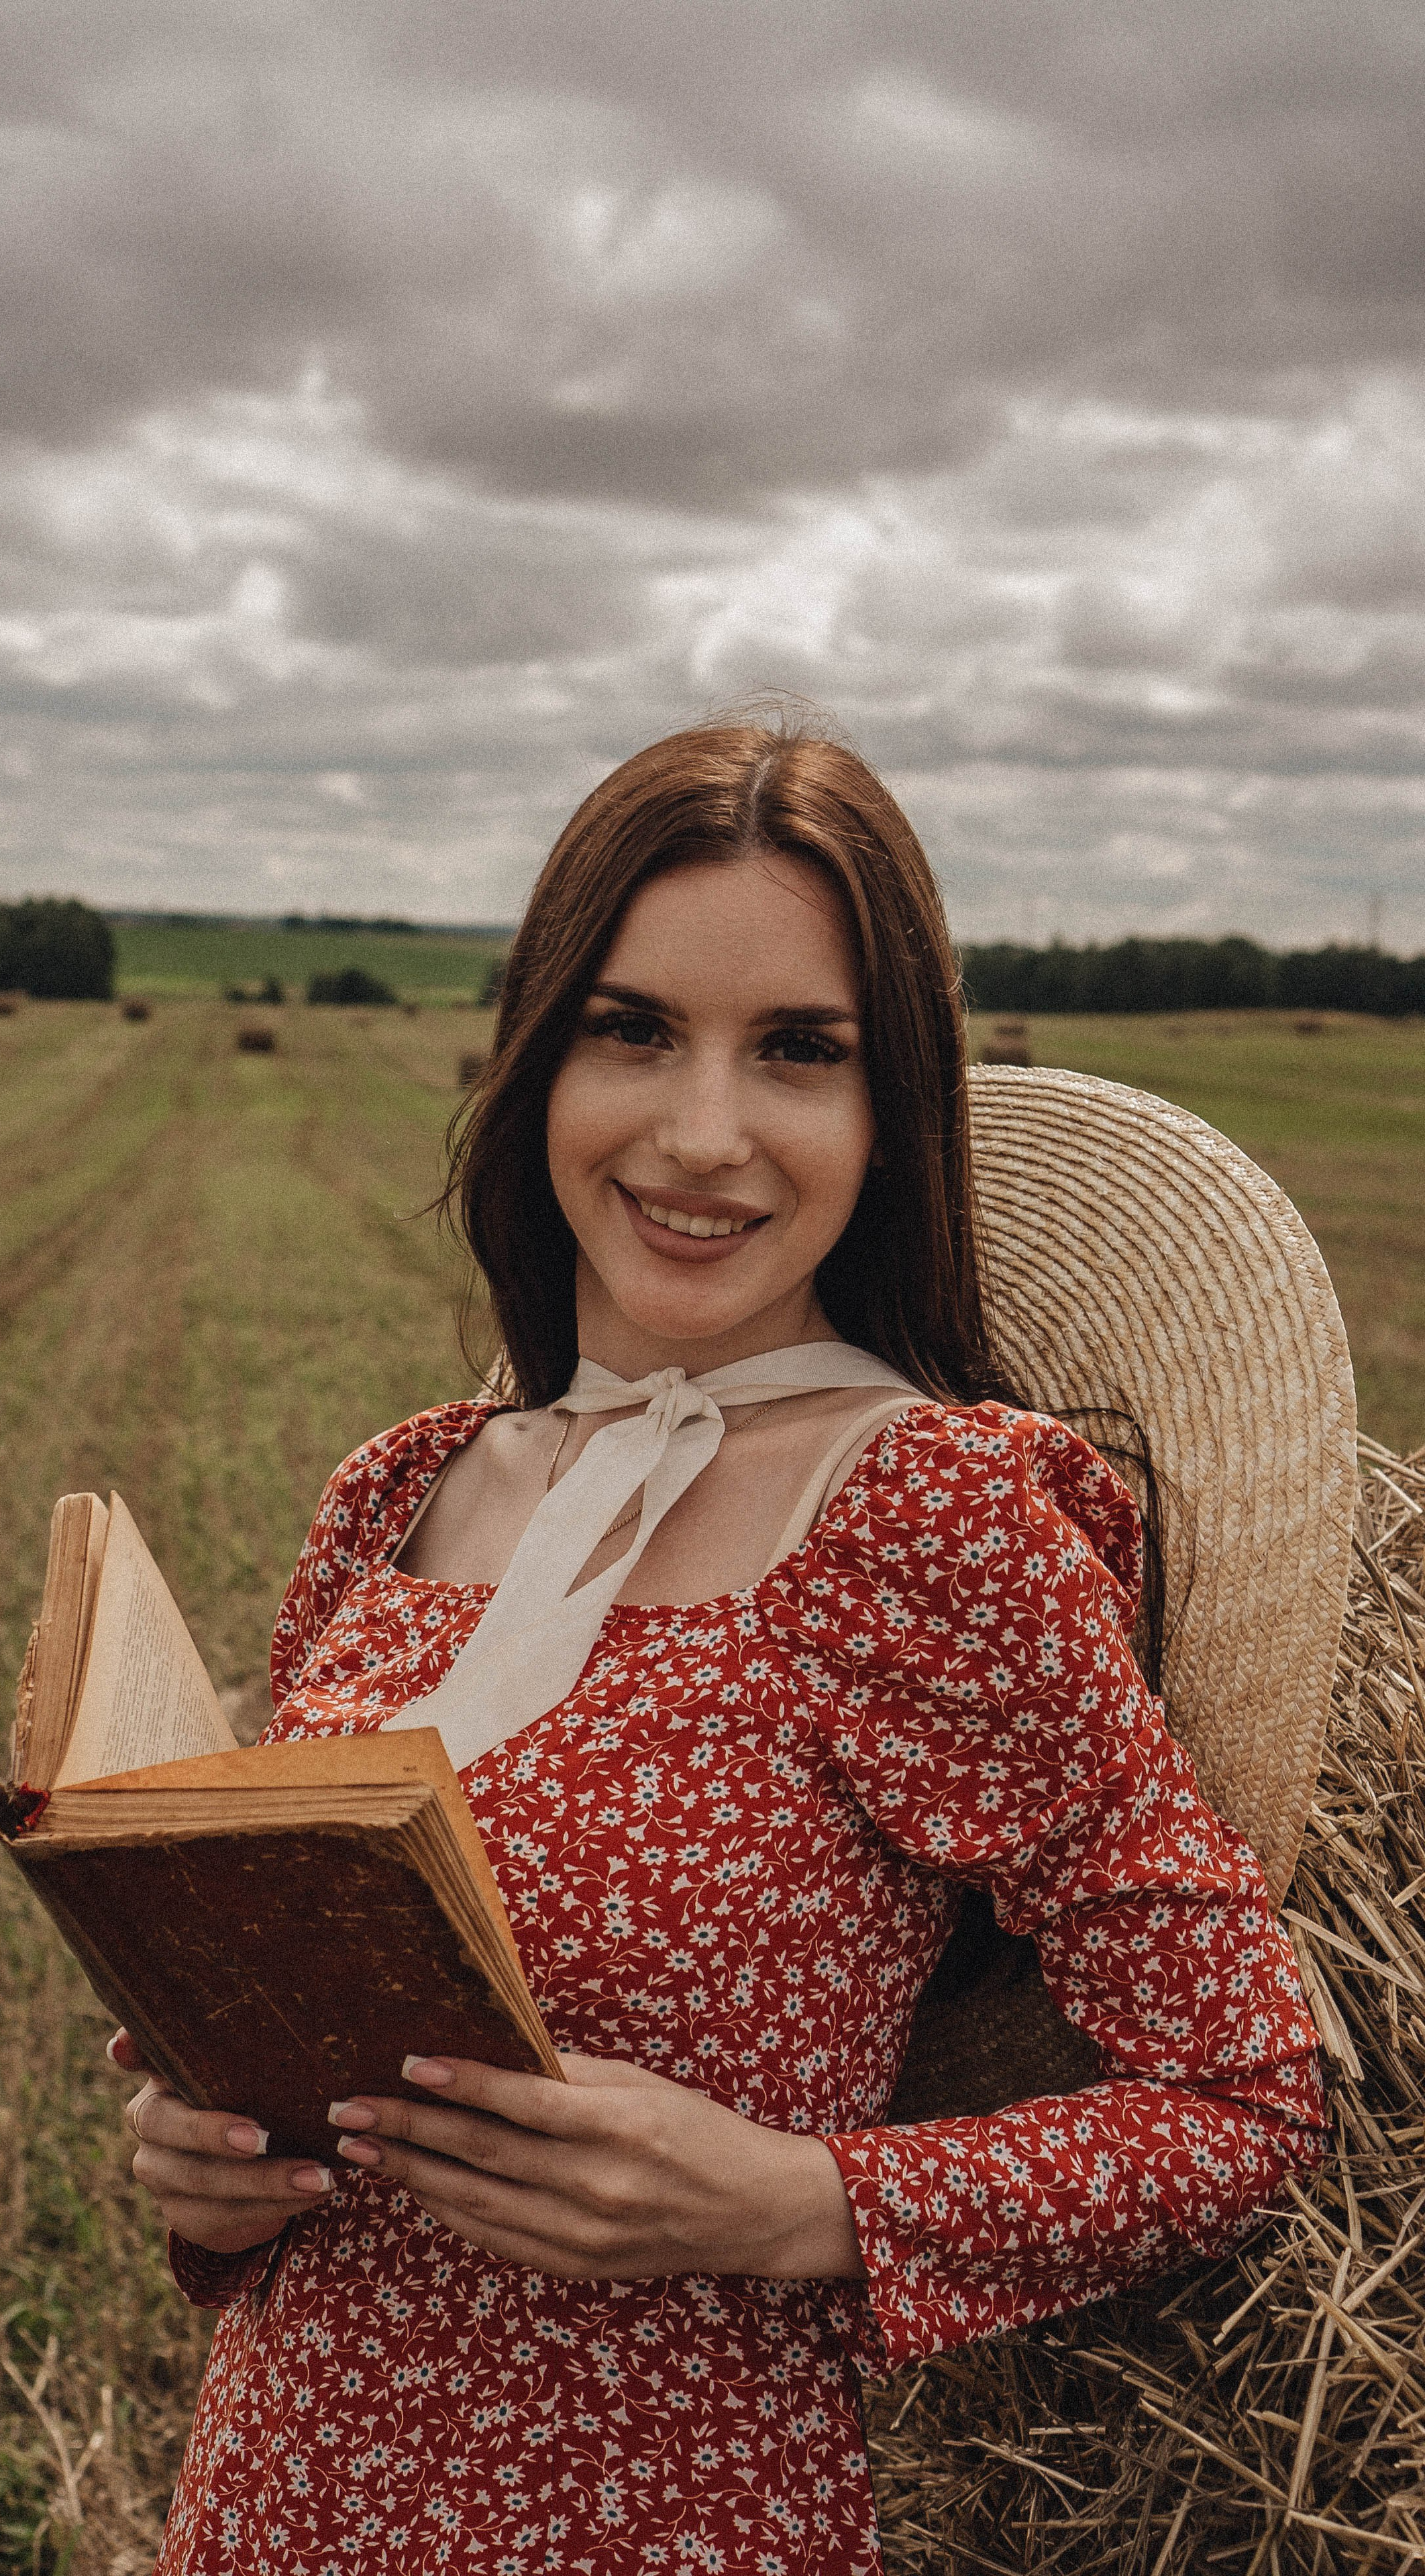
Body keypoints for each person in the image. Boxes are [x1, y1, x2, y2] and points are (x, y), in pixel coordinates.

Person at [113, 722, 1327, 2575]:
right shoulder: (393, 1500)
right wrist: (203, 2180)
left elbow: (1244, 2105)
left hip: (674, 2520)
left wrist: (795, 2203)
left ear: (887, 1108)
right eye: (633, 1030)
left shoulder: (935, 1523)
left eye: (798, 1052)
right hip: (271, 2506)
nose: (702, 1133)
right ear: (540, 1064)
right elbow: (293, 2074)